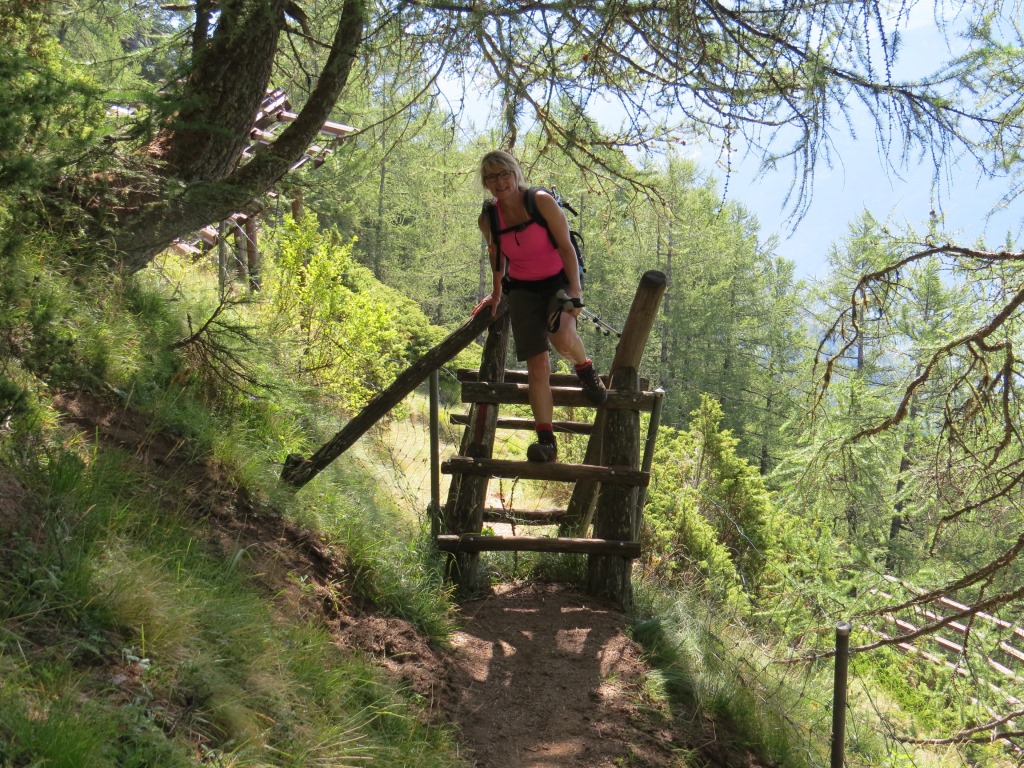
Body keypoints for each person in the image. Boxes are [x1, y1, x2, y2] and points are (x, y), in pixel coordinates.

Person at [471, 150, 607, 463]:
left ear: (515, 173)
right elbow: (497, 257)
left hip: (559, 281)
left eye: (504, 174)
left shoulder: (541, 201)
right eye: (491, 177)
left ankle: (584, 369)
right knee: (537, 365)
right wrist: (496, 294)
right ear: (485, 183)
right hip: (522, 289)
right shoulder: (489, 217)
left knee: (561, 336)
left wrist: (575, 290)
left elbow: (566, 247)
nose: (499, 182)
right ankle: (546, 441)